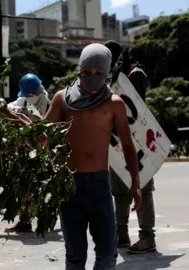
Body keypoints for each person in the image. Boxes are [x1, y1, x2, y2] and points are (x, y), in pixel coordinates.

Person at [44, 43, 142, 269]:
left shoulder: (114, 104)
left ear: (107, 74)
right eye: (87, 72)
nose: (92, 78)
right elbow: (42, 136)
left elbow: (127, 145)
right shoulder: (62, 99)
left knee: (108, 256)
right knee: (76, 257)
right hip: (70, 186)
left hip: (100, 187)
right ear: (79, 69)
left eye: (99, 73)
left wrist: (135, 183)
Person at [104, 40, 156, 254]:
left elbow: (135, 109)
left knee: (142, 186)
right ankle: (121, 234)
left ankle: (147, 237)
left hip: (137, 142)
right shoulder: (111, 78)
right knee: (118, 190)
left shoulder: (135, 74)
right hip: (117, 141)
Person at [5, 73, 50, 233]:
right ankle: (24, 221)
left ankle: (43, 220)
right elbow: (11, 108)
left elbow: (41, 124)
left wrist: (24, 114)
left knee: (39, 188)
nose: (28, 97)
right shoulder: (24, 100)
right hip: (25, 149)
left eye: (30, 95)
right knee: (24, 187)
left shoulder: (46, 103)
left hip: (41, 151)